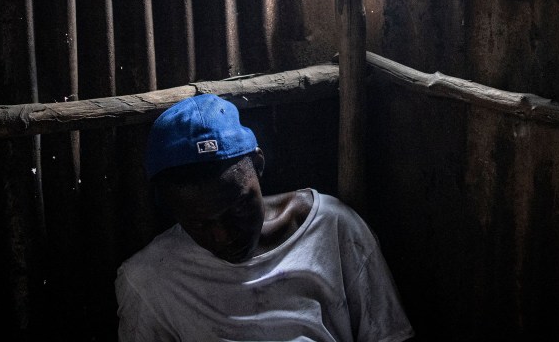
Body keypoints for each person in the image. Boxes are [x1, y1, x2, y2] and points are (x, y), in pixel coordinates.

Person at [115, 93, 414, 342]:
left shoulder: (332, 227)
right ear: (170, 207)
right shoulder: (151, 280)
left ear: (258, 164)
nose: (225, 235)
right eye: (200, 223)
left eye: (239, 207)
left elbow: (391, 335)